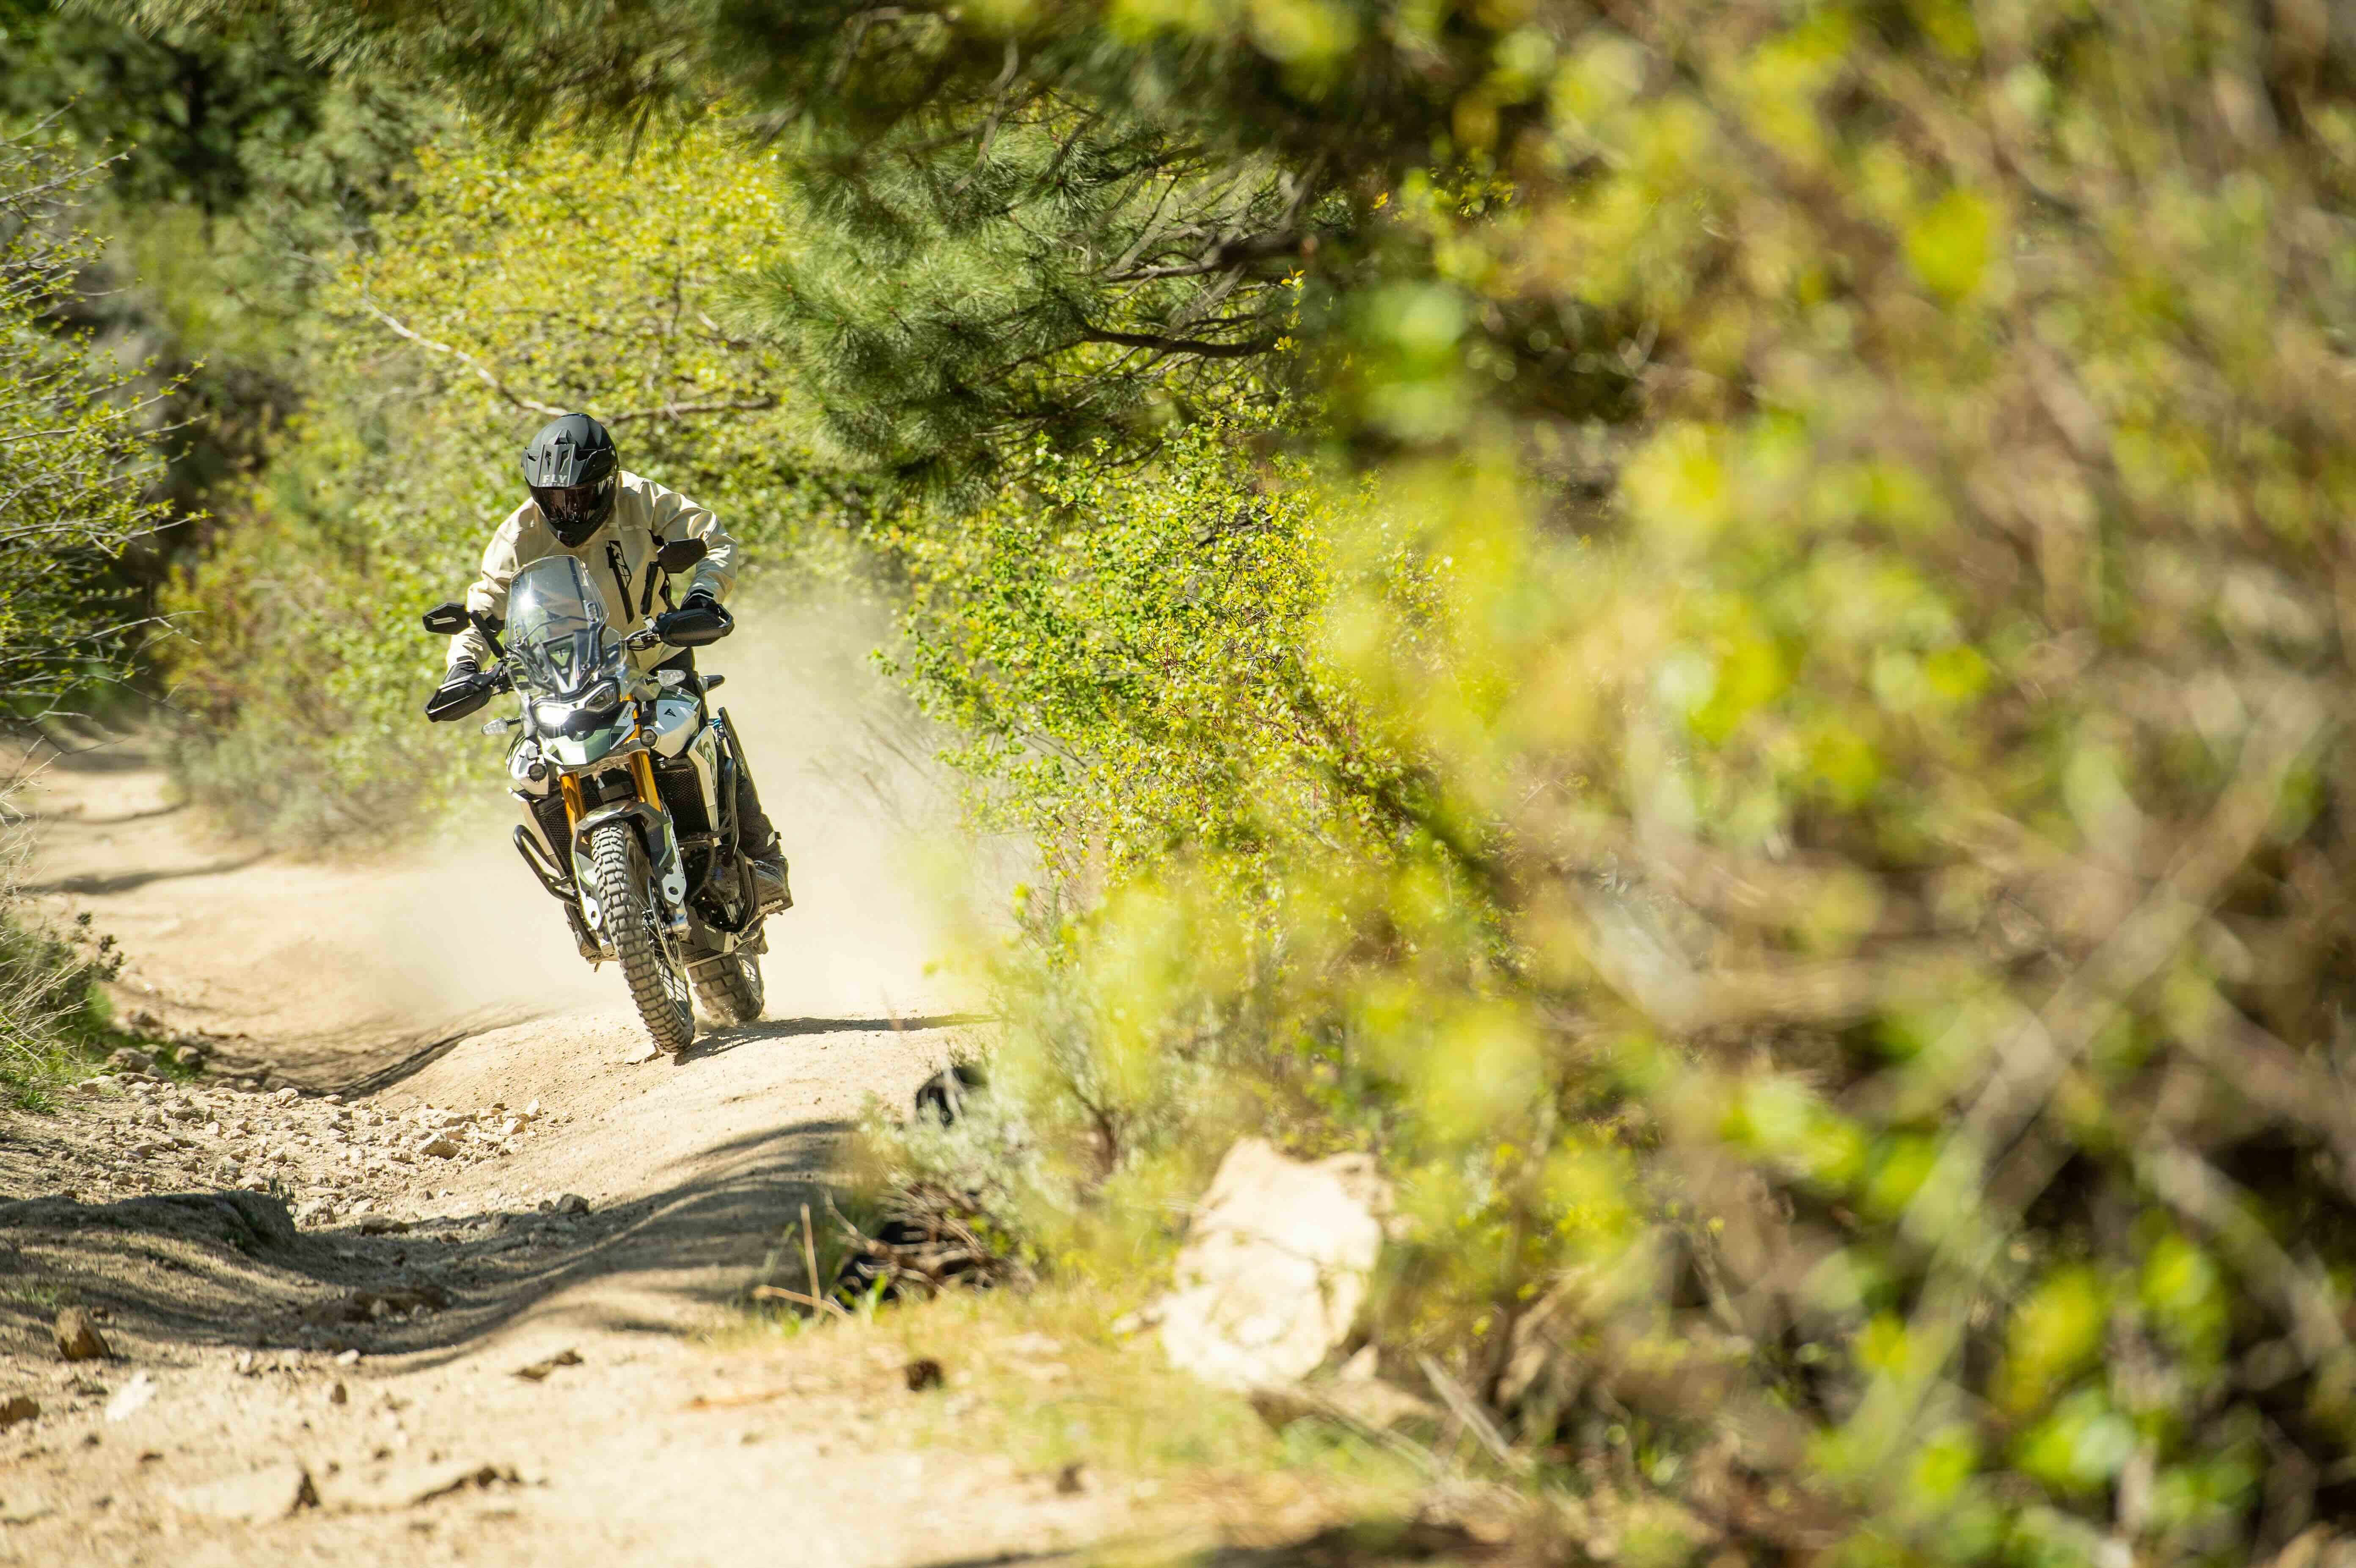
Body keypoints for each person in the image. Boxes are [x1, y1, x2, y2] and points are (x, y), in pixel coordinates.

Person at [428, 411, 791, 915]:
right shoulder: (518, 535)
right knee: (534, 770)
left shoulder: (642, 498)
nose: (569, 508)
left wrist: (703, 596)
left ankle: (760, 856)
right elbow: (482, 606)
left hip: (654, 650)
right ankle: (578, 892)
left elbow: (713, 538)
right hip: (565, 675)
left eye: (580, 494)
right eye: (556, 498)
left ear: (608, 481)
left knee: (702, 735)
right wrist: (463, 668)